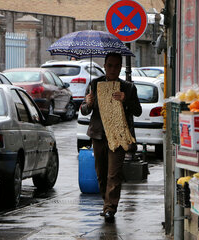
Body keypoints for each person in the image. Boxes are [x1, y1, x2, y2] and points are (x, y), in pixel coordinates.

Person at [80, 52, 142, 223]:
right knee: (101, 173)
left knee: (113, 174)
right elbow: (84, 110)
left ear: (120, 67)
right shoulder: (95, 83)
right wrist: (88, 103)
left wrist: (126, 100)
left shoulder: (128, 88)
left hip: (119, 136)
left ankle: (110, 208)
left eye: (116, 66)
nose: (112, 69)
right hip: (98, 135)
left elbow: (138, 111)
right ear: (105, 66)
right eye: (109, 65)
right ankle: (106, 201)